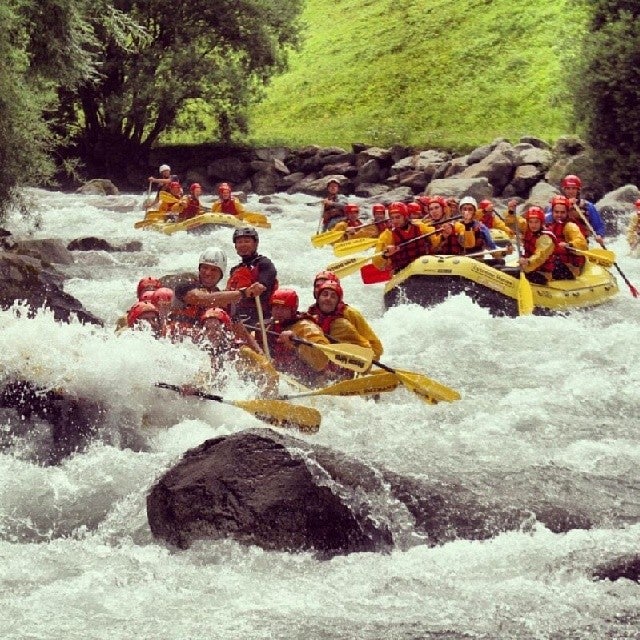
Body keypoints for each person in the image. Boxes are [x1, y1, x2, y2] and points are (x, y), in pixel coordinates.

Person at [173, 247, 265, 335]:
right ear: (199, 269)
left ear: (221, 274)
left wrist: (259, 351)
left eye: (213, 270)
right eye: (205, 268)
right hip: (179, 342)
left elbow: (240, 330)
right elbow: (205, 299)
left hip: (204, 345)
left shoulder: (225, 300)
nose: (208, 273)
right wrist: (244, 292)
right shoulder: (185, 285)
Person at [266, 288, 334, 387]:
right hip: (284, 377)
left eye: (284, 308)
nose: (278, 312)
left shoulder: (306, 327)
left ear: (293, 310)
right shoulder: (269, 326)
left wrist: (296, 342)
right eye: (276, 308)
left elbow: (323, 358)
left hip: (310, 382)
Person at [309, 272, 384, 359]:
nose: (319, 289)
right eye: (317, 286)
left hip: (352, 357)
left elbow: (376, 348)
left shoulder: (350, 314)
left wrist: (365, 359)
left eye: (332, 294)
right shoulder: (312, 312)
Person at [226, 227, 278, 324]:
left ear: (255, 243)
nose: (243, 245)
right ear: (235, 246)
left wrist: (254, 289)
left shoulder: (264, 264)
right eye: (239, 242)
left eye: (247, 241)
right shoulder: (235, 270)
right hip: (236, 316)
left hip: (259, 316)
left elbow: (262, 286)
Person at [372, 201, 436, 273]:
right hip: (401, 272)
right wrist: (385, 255)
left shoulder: (420, 227)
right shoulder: (387, 235)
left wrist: (444, 235)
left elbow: (436, 243)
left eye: (398, 217)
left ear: (405, 216)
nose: (395, 221)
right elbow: (376, 262)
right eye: (392, 218)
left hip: (423, 267)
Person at [546, 174, 606, 244]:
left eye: (574, 188)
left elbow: (599, 226)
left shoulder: (588, 206)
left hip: (580, 243)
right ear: (564, 190)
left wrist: (599, 235)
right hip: (559, 241)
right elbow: (547, 220)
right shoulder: (556, 204)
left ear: (578, 190)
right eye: (568, 188)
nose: (571, 191)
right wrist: (567, 205)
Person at [546, 195, 588, 278]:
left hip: (570, 268)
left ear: (567, 212)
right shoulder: (550, 227)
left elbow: (582, 243)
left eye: (562, 212)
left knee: (554, 262)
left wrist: (569, 245)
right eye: (556, 212)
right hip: (556, 264)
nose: (559, 215)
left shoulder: (570, 226)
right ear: (552, 212)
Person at [518, 207, 558, 284]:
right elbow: (516, 221)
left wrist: (528, 261)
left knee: (511, 273)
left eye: (536, 222)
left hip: (542, 274)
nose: (533, 225)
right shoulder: (528, 229)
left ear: (541, 222)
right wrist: (511, 211)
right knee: (501, 268)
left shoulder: (546, 237)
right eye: (531, 222)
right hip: (529, 269)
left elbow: (540, 255)